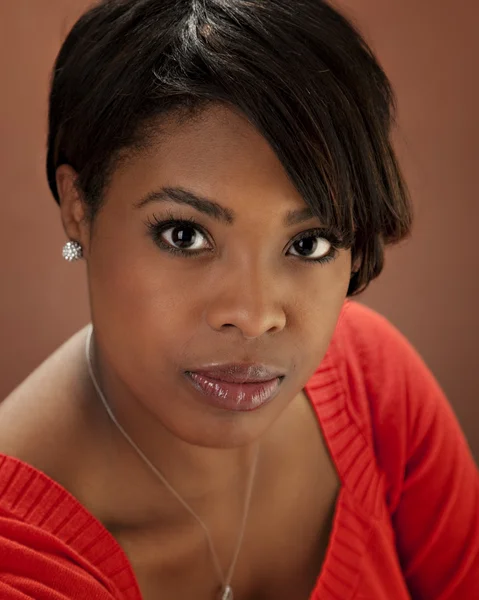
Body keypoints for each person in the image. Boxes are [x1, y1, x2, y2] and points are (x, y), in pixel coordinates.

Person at [0, 0, 478, 598]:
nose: (255, 316)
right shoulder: (18, 566)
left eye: (309, 241)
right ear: (79, 209)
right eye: (185, 235)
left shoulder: (373, 388)